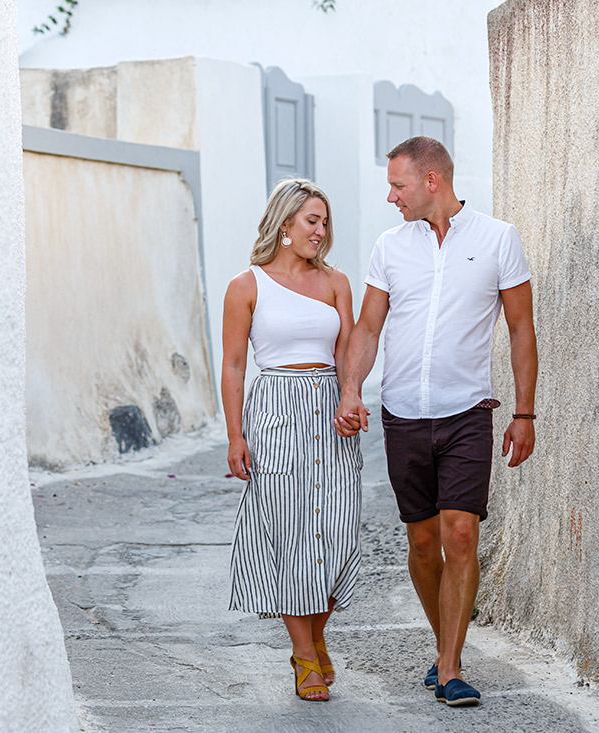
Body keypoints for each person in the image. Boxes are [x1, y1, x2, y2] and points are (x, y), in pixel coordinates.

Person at [333, 137, 537, 707]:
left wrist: (524, 412)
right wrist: (351, 389)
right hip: (403, 414)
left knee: (461, 533)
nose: (390, 197)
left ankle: (449, 668)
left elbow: (521, 328)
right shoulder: (389, 247)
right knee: (423, 542)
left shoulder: (498, 239)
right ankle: (446, 642)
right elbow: (369, 328)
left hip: (468, 412)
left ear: (431, 182)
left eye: (397, 185)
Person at [223, 178, 361, 702]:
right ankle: (304, 654)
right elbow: (234, 365)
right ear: (285, 225)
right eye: (311, 221)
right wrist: (235, 434)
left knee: (338, 532)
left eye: (325, 222)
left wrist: (351, 395)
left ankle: (317, 634)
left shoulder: (335, 283)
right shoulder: (247, 285)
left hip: (329, 413)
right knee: (290, 537)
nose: (321, 232)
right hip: (275, 412)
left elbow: (350, 350)